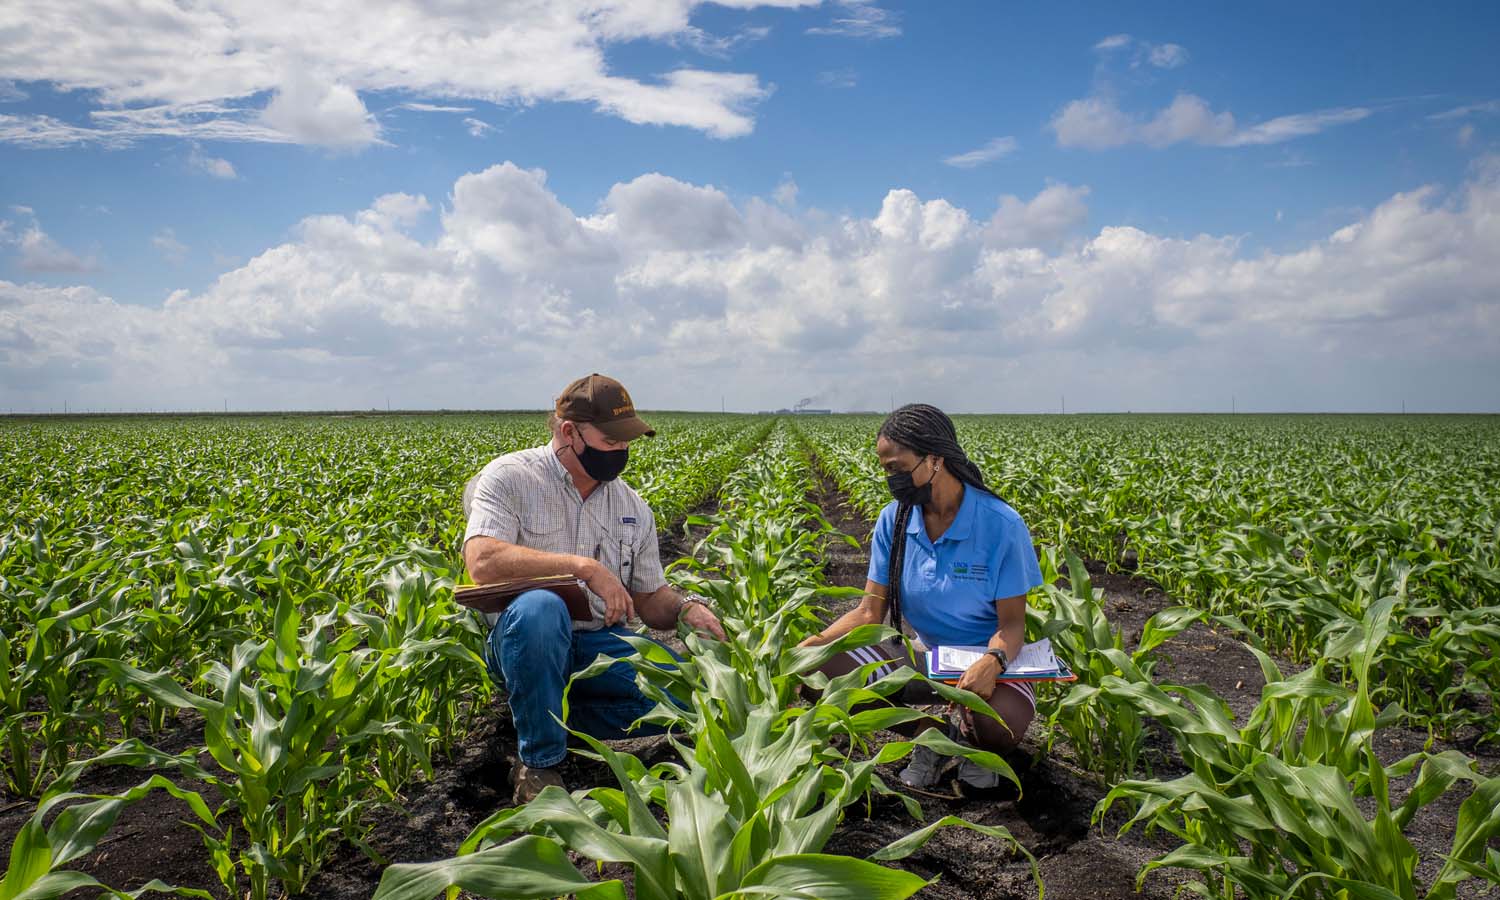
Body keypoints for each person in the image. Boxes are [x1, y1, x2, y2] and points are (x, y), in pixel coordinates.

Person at [462, 373, 725, 805]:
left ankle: (537, 716)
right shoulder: (510, 478)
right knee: (542, 609)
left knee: (690, 696)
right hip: (525, 644)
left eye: (627, 441)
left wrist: (686, 609)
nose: (621, 451)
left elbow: (649, 598)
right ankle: (540, 763)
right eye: (611, 441)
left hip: (598, 645)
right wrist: (583, 568)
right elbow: (482, 562)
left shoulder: (631, 506)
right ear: (570, 432)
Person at [798, 404, 1042, 791]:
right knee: (819, 673)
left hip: (993, 660)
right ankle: (933, 735)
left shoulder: (1000, 525)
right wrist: (810, 647)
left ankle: (976, 744)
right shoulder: (894, 520)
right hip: (928, 655)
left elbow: (1012, 626)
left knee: (996, 727)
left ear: (935, 459)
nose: (891, 478)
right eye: (885, 469)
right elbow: (868, 613)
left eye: (897, 467)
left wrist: (991, 663)